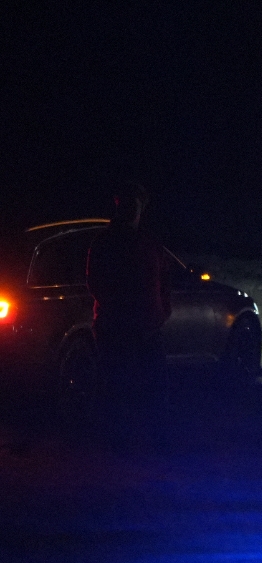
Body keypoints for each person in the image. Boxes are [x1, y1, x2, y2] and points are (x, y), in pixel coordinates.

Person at [85, 183, 171, 446]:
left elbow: (163, 279)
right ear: (119, 205)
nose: (134, 209)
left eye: (138, 203)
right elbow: (95, 282)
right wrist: (118, 310)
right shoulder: (105, 242)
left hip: (147, 328)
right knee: (117, 387)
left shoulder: (148, 242)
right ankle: (118, 442)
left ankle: (147, 440)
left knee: (150, 386)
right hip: (117, 329)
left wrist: (162, 311)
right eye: (129, 203)